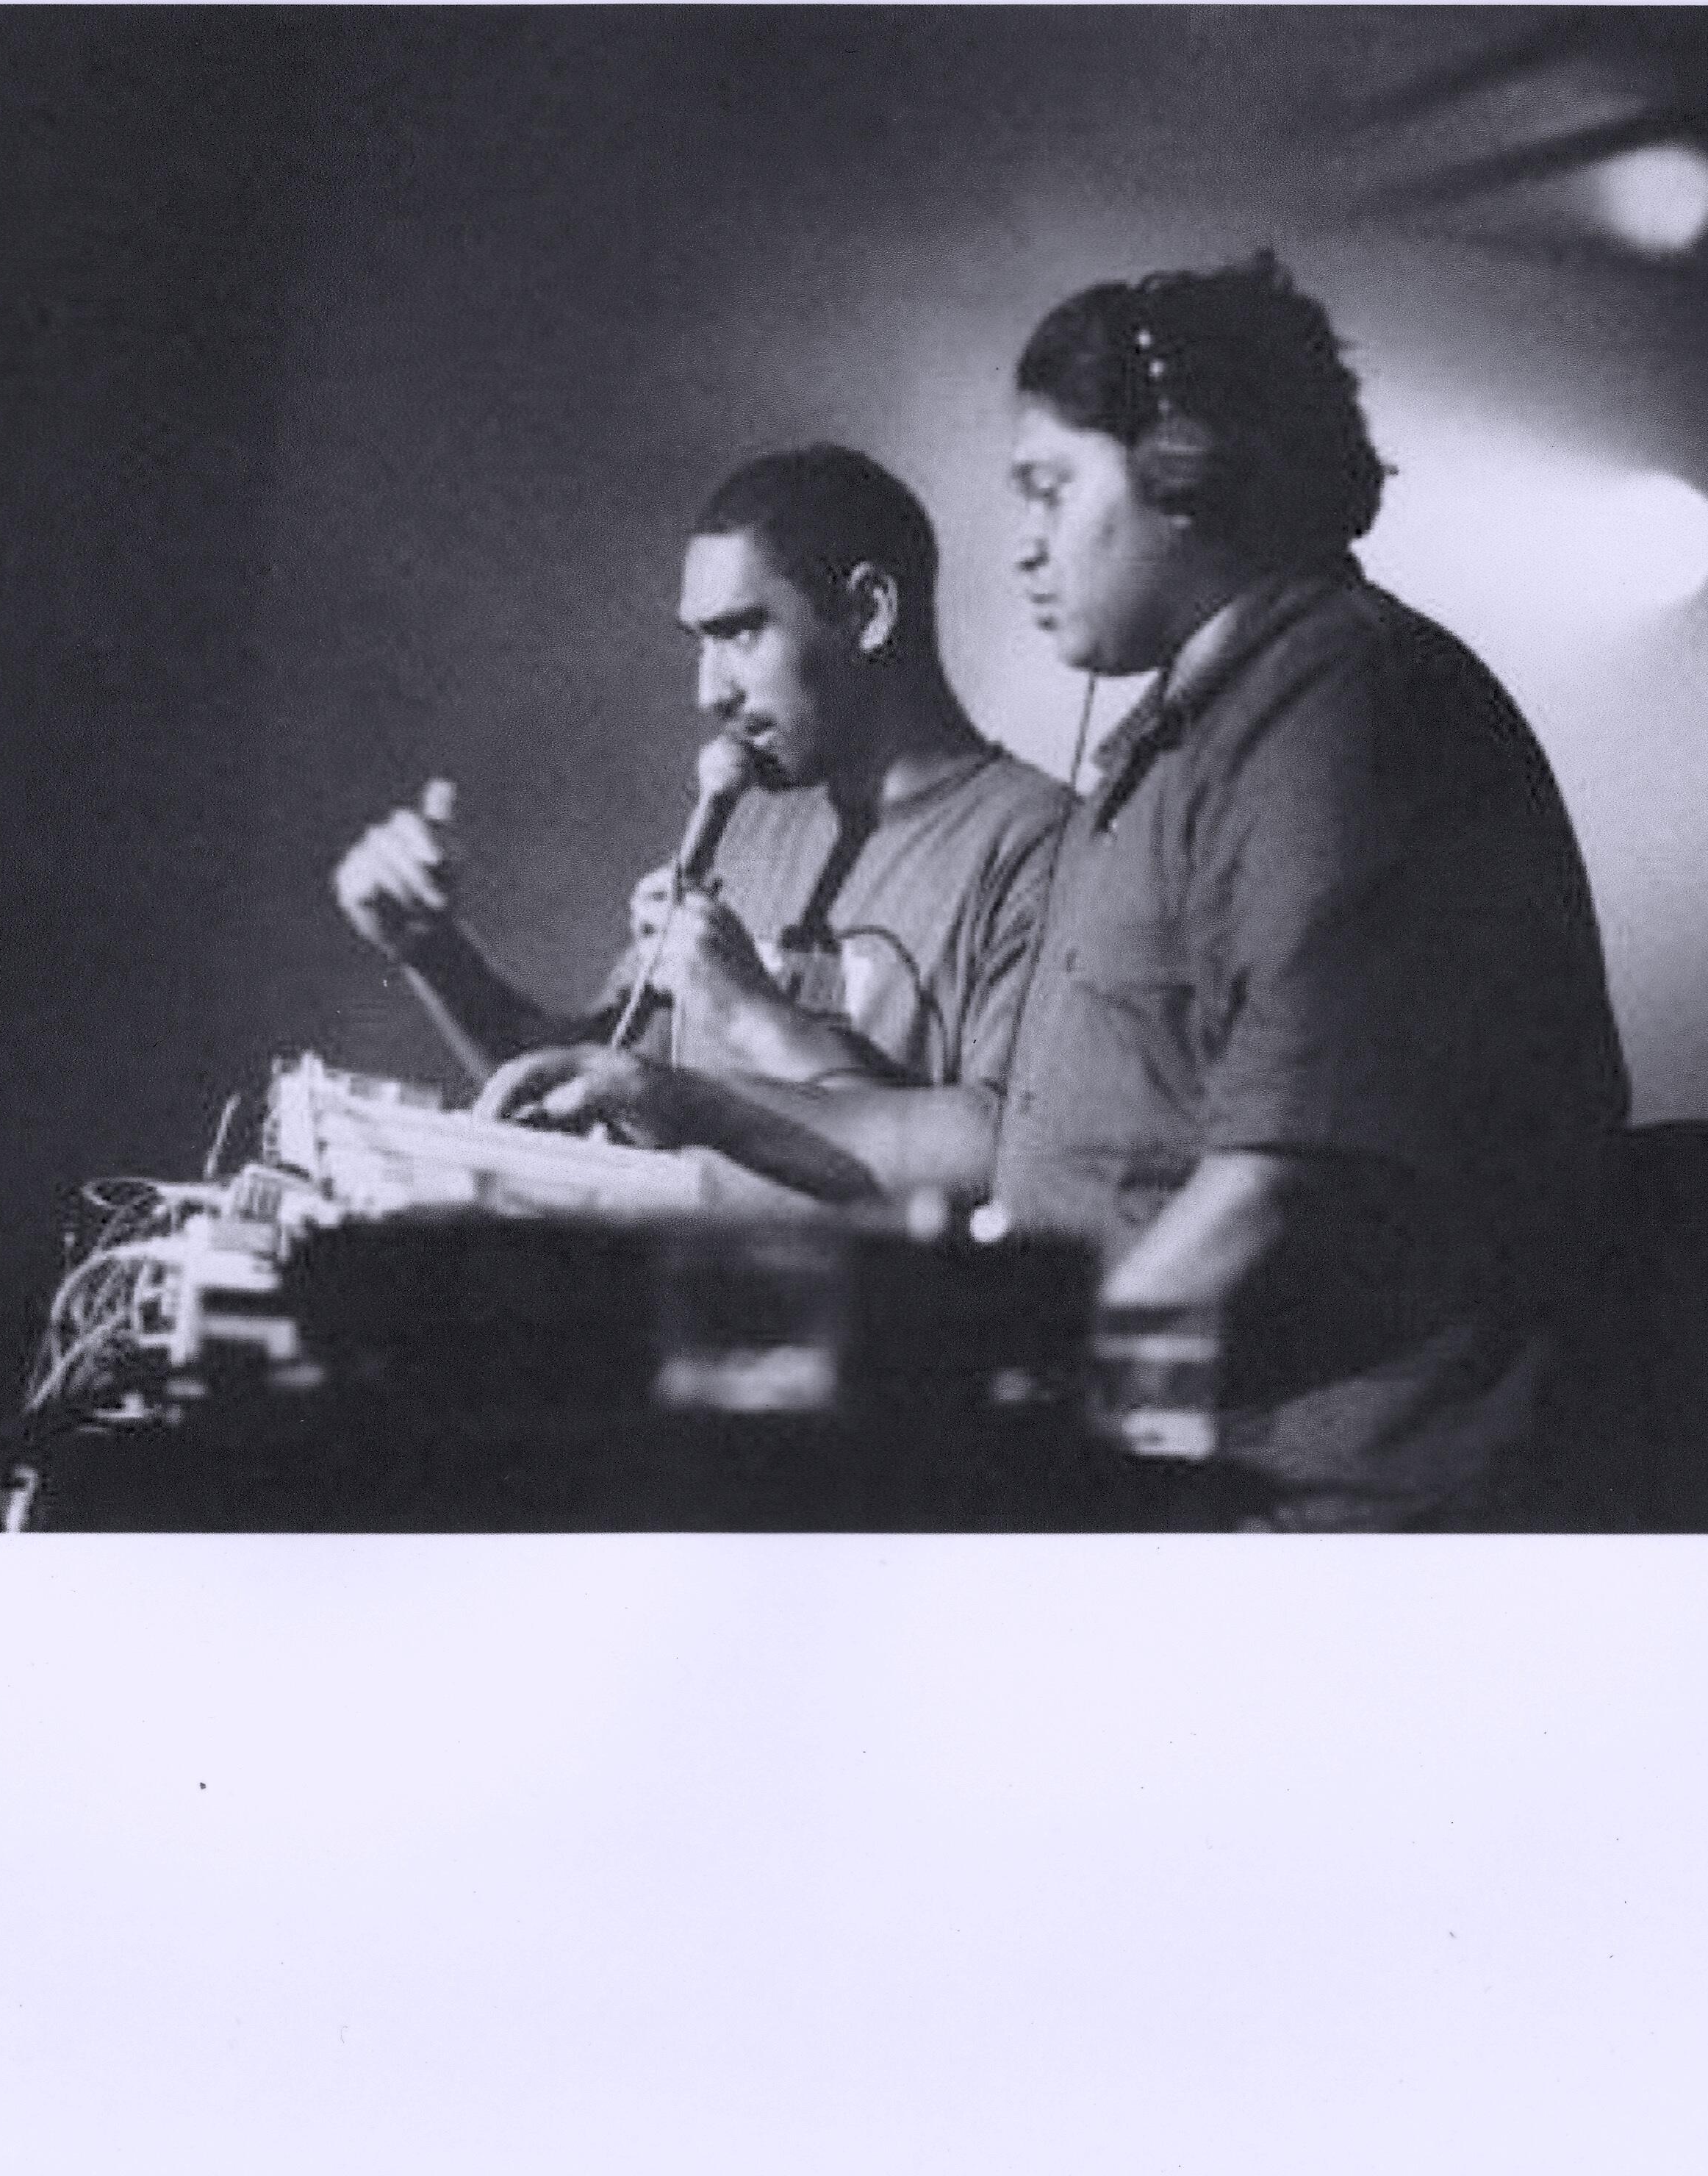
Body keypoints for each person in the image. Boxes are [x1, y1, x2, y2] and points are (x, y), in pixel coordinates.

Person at [991, 251, 1629, 1527]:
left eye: (1051, 489)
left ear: (1182, 467)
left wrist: (1015, 1427)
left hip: (1323, 1514)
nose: (1024, 546)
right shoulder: (1199, 733)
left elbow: (1276, 1193)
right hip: (1184, 1466)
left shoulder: (1349, 711)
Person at [334, 445, 1069, 1202]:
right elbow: (594, 1089)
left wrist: (755, 1020)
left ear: (868, 611)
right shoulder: (750, 825)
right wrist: (433, 951)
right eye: (701, 642)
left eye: (741, 632)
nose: (708, 692)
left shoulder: (1036, 843)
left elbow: (1010, 1151)